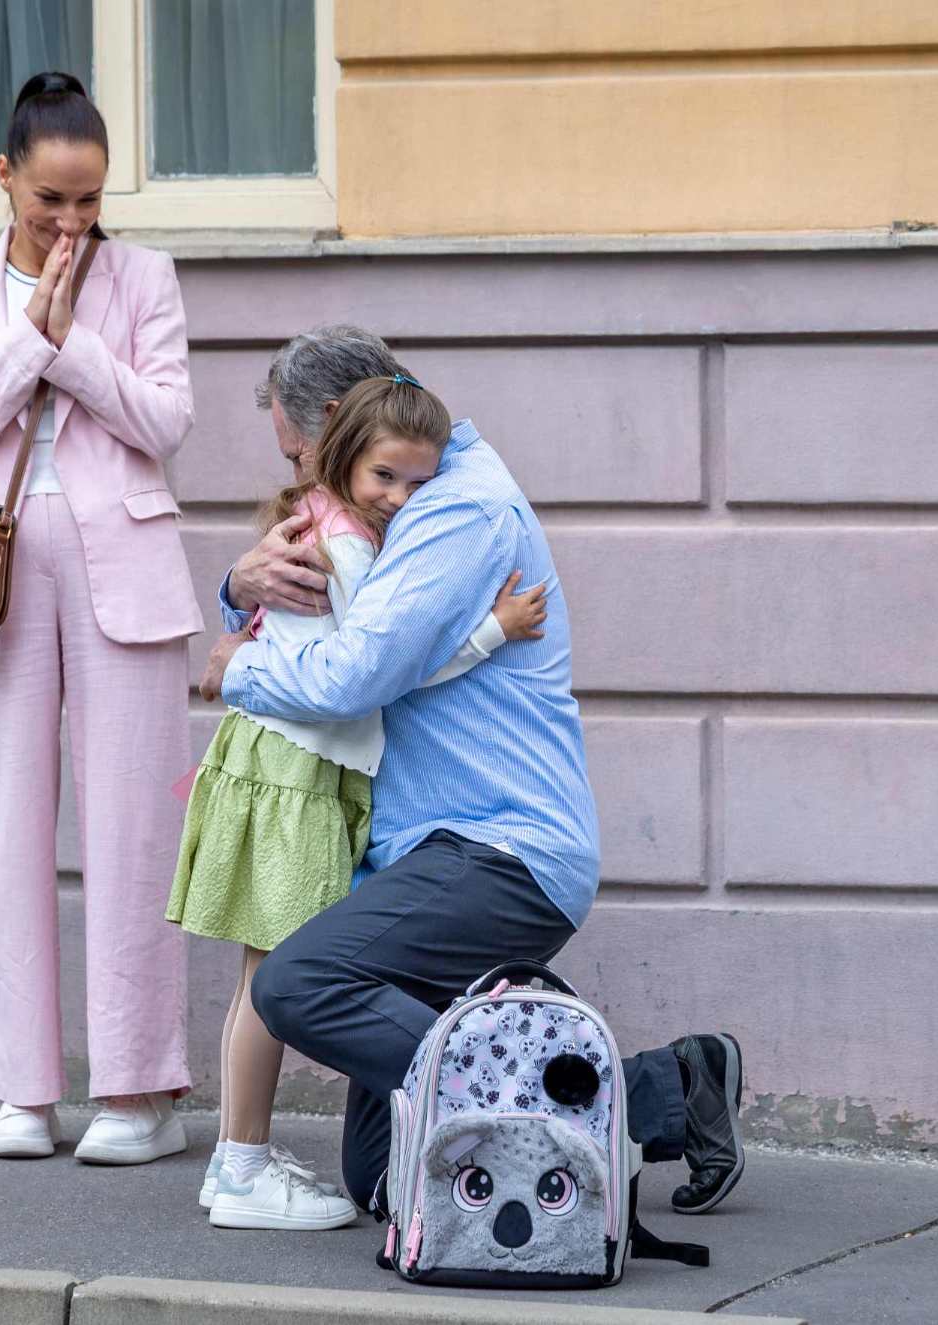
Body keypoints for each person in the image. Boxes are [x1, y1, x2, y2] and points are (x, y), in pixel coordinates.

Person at [203, 326, 747, 1218]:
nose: (303, 478)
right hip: (431, 855)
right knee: (382, 1178)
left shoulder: (452, 512)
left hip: (498, 852)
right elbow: (331, 629)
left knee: (296, 983)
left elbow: (353, 677)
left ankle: (624, 1099)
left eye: (299, 455)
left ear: (337, 420)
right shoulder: (399, 503)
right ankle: (667, 1084)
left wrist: (236, 667)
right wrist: (238, 587)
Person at [168, 374, 547, 1231]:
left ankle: (236, 1160)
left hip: (292, 762)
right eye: (385, 476)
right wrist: (491, 632)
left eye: (416, 481)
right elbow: (373, 674)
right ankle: (242, 1166)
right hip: (297, 770)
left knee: (263, 968)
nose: (401, 497)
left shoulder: (324, 521)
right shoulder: (345, 547)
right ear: (341, 449)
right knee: (273, 972)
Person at [0, 71, 198, 1165]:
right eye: (49, 200)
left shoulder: (146, 278)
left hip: (123, 556)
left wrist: (71, 341)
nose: (71, 222)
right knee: (5, 830)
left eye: (89, 199)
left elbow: (163, 421)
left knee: (135, 832)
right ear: (5, 178)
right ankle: (22, 1091)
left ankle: (139, 1089)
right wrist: (28, 335)